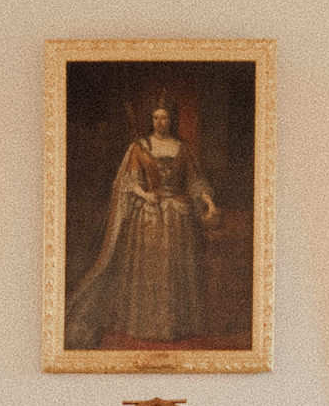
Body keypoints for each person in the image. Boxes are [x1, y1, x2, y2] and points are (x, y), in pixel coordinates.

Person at [67, 100, 222, 347]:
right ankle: (148, 326)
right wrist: (145, 195)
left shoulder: (183, 148)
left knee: (174, 268)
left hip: (180, 217)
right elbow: (128, 181)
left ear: (172, 120)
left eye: (165, 118)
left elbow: (195, 181)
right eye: (156, 118)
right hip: (148, 215)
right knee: (151, 268)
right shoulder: (139, 148)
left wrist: (208, 202)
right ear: (152, 120)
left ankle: (176, 326)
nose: (160, 122)